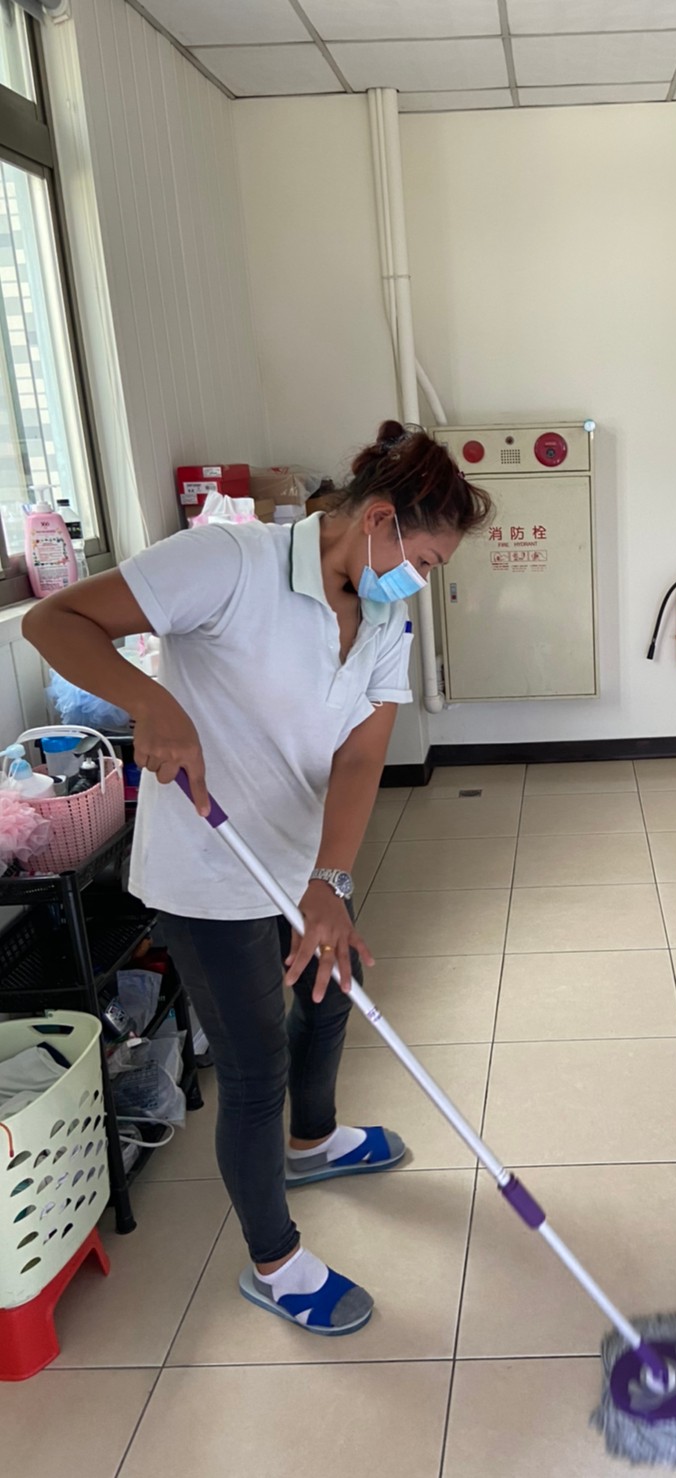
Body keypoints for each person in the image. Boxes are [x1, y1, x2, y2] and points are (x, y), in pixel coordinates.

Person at [24, 421, 490, 1336]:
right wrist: (150, 700)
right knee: (252, 1065)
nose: (420, 581)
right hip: (209, 869)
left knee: (333, 987)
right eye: (424, 560)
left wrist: (331, 882)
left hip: (299, 857)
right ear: (381, 522)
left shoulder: (385, 616)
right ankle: (275, 1262)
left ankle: (313, 1142)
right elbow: (53, 621)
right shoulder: (230, 564)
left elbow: (361, 757)